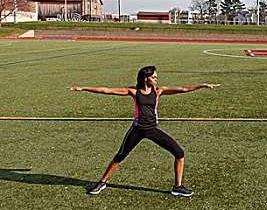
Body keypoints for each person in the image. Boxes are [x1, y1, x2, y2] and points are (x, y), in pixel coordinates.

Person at [68, 66, 220, 197]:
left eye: (156, 77)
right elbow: (107, 90)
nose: (156, 79)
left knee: (179, 153)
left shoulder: (158, 91)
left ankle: (177, 187)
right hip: (138, 129)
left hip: (153, 129)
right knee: (120, 156)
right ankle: (101, 182)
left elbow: (183, 89)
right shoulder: (134, 91)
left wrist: (202, 85)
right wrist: (84, 88)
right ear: (145, 78)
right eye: (153, 77)